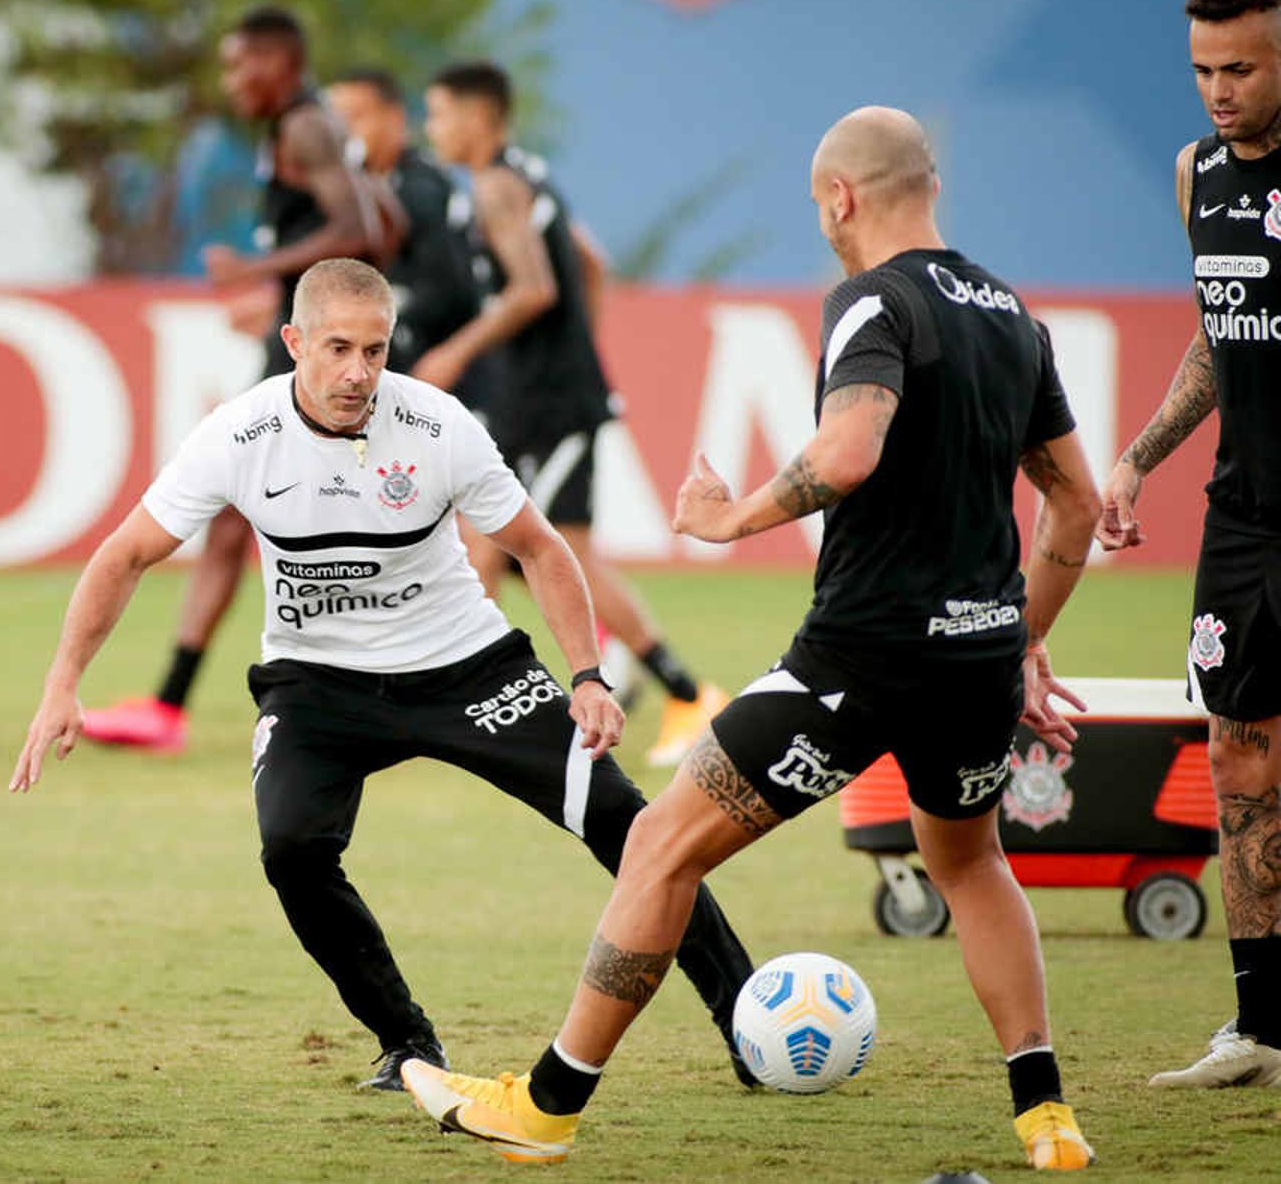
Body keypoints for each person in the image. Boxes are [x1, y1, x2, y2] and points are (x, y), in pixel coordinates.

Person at [403, 108, 1102, 1172]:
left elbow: (850, 449)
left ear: (841, 198)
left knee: (659, 844)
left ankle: (545, 1106)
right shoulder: (1011, 313)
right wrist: (1022, 639)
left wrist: (730, 520)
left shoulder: (873, 298)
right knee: (968, 863)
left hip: (862, 662)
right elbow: (1075, 505)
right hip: (975, 659)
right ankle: (1047, 1117)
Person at [14, 258, 756, 1092]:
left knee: (631, 823)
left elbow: (541, 550)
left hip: (464, 667)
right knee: (292, 850)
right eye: (337, 348)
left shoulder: (439, 426)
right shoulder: (237, 435)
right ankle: (407, 1041)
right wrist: (61, 683)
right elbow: (125, 555)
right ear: (293, 342)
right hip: (316, 684)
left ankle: (749, 1019)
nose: (358, 372)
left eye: (375, 350)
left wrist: (587, 676)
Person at [82, 6, 382, 754]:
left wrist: (260, 270)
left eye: (240, 64)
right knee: (240, 518)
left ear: (280, 64)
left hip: (311, 360)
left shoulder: (305, 127)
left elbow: (361, 232)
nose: (232, 81)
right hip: (302, 345)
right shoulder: (305, 128)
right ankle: (171, 704)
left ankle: (176, 705)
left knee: (266, 517)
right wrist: (282, 299)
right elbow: (385, 217)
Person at [419, 60, 726, 755]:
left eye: (437, 113)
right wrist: (571, 352)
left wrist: (456, 353)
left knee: (560, 551)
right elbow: (591, 263)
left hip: (550, 402)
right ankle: (469, 698)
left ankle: (690, 695)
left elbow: (534, 289)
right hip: (543, 393)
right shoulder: (526, 172)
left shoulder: (498, 186)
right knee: (492, 543)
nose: (430, 127)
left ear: (477, 117)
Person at [1099, 0, 1281, 1090]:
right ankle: (1259, 1028)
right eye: (1204, 70)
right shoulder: (1196, 173)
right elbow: (1221, 336)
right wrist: (1134, 457)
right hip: (1242, 517)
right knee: (1236, 750)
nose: (1218, 91)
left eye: (1243, 69)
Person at [323, 67, 491, 406]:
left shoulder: (420, 189)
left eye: (355, 116)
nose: (344, 132)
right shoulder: (359, 190)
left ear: (393, 118)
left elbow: (451, 289)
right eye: (334, 121)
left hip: (448, 383)